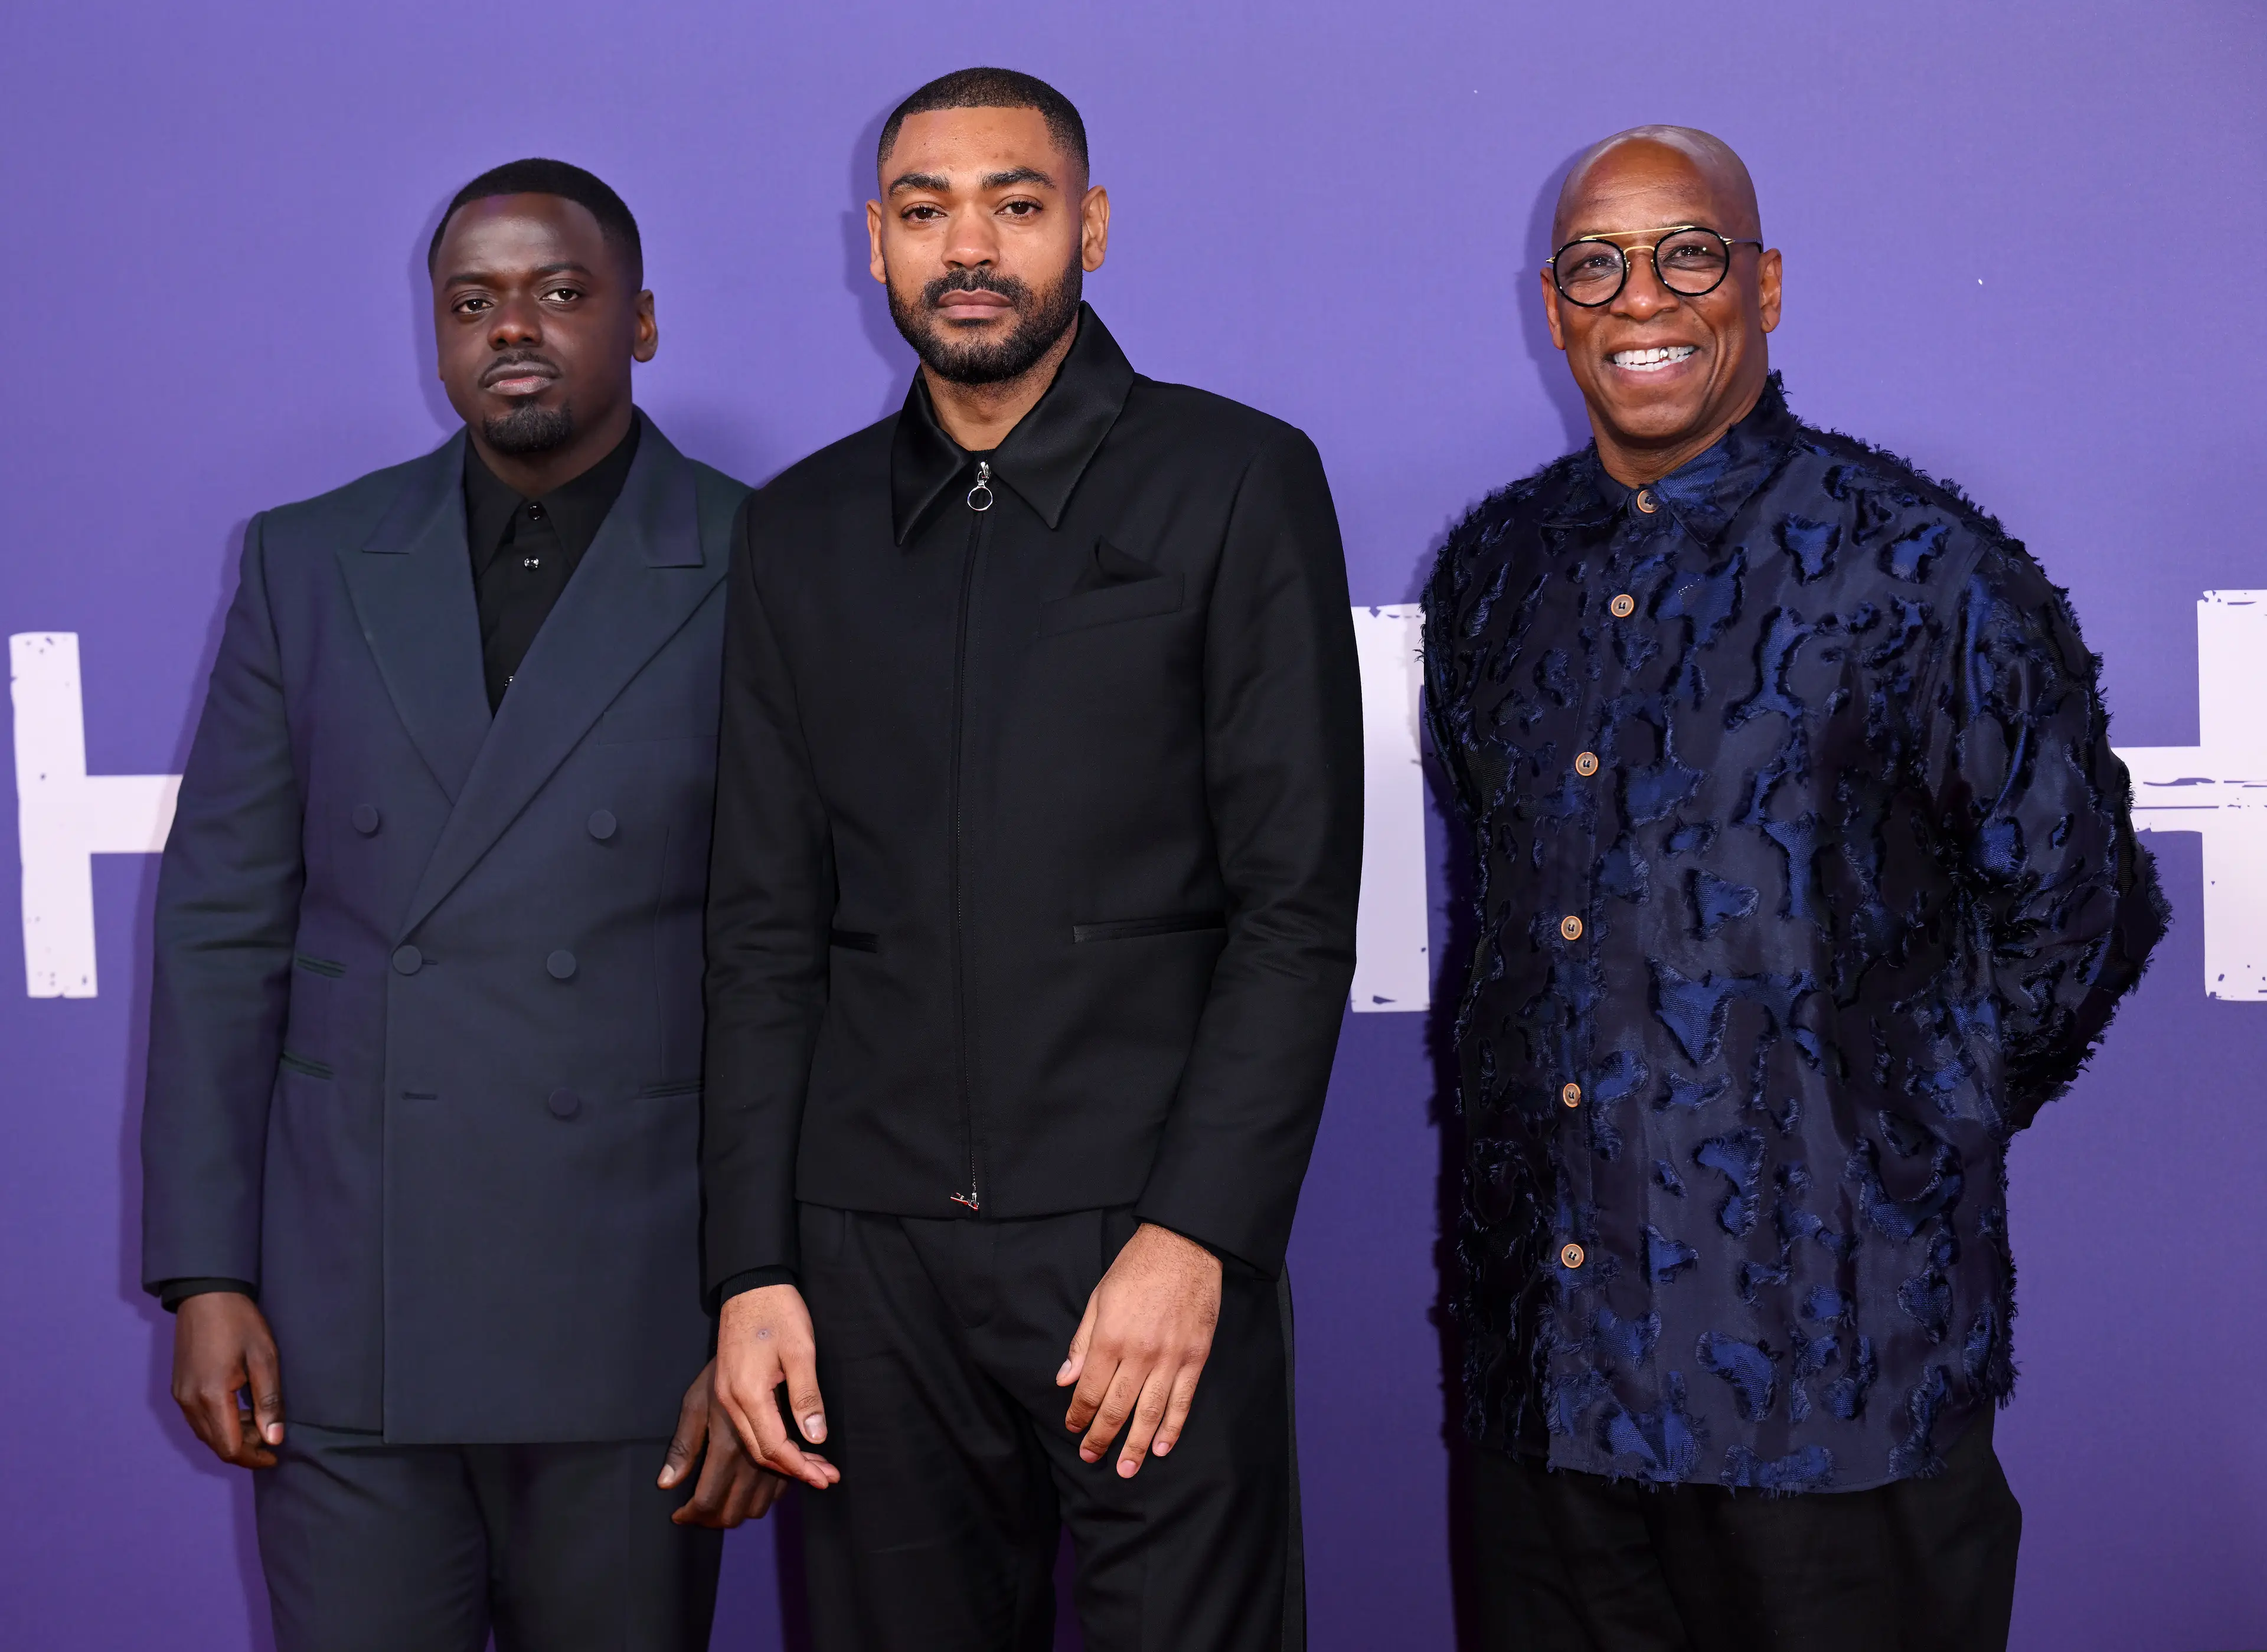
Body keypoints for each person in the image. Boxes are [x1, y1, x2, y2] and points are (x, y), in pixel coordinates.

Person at [1421, 126, 2165, 1651]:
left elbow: (2086, 898)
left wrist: (1892, 1122)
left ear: (1760, 283)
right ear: (1554, 307)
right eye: (1594, 263)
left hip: (1836, 1392)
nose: (1643, 296)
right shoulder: (1492, 575)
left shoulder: (1914, 566)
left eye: (1686, 252)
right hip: (1545, 1393)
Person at [701, 67, 1363, 1651]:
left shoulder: (1234, 481)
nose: (970, 245)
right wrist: (756, 1265)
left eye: (1015, 201)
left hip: (1138, 1248)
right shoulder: (797, 531)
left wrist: (1197, 1229)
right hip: (871, 1274)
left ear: (1093, 226)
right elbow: (762, 930)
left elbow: (1295, 904)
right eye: (926, 211)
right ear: (877, 245)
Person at [142, 158, 775, 1652]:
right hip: (350, 1311)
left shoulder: (770, 556)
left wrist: (763, 1300)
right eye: (474, 300)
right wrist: (204, 1272)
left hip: (636, 1311)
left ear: (643, 322)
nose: (516, 329)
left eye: (563, 293)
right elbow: (224, 926)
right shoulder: (308, 560)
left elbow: (794, 959)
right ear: (434, 334)